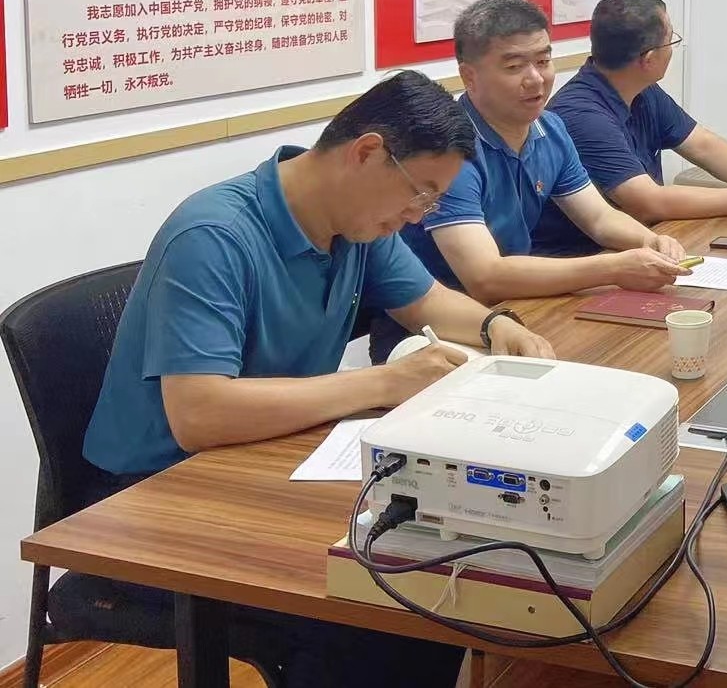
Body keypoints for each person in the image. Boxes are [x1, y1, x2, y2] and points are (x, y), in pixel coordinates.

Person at [82, 70, 556, 687]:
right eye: (420, 194)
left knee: (435, 570)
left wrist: (497, 326)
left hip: (270, 459)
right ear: (367, 153)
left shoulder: (352, 224)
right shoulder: (214, 235)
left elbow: (427, 302)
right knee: (381, 606)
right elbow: (199, 415)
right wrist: (385, 383)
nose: (416, 217)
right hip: (156, 494)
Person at [365, 0, 692, 361]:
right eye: (514, 66)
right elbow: (485, 276)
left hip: (517, 310)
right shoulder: (449, 154)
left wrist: (649, 241)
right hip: (432, 332)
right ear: (469, 77)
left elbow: (599, 218)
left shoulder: (549, 128)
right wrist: (612, 267)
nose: (535, 79)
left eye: (543, 61)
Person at [534, 0, 727, 252]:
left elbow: (702, 144)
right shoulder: (581, 115)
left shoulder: (641, 89)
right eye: (671, 40)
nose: (673, 49)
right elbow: (647, 202)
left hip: (644, 243)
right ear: (649, 59)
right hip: (586, 257)